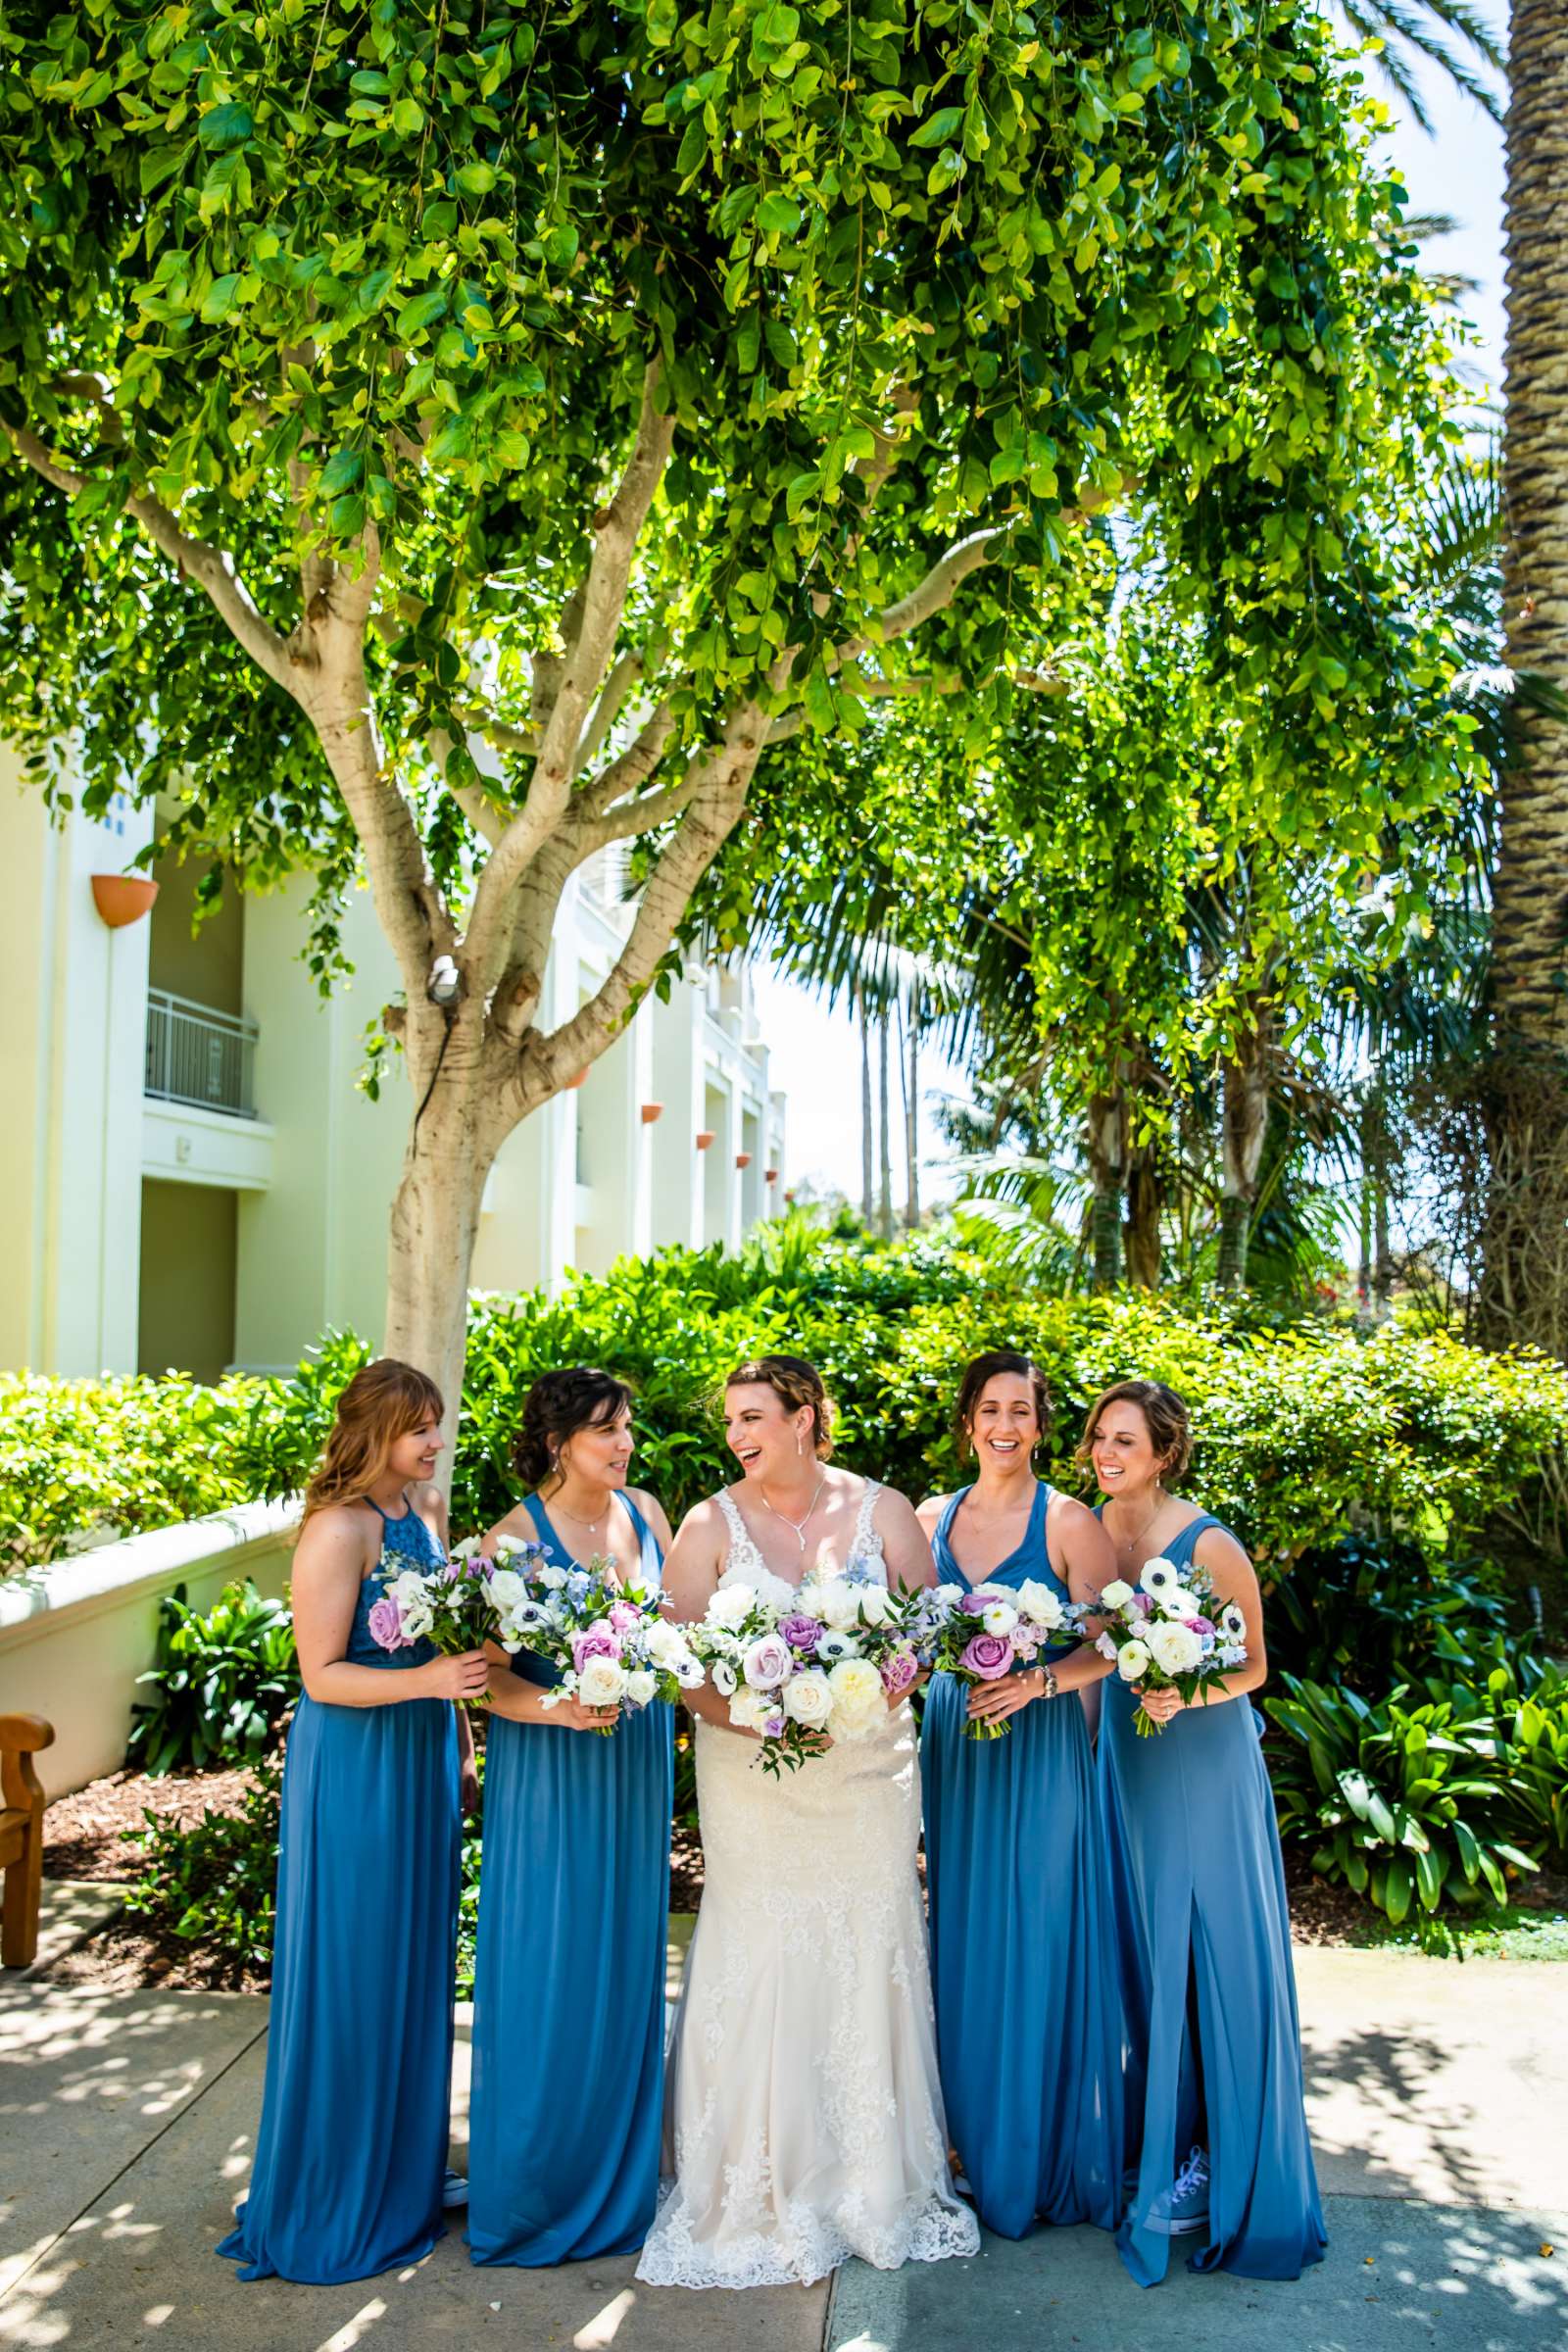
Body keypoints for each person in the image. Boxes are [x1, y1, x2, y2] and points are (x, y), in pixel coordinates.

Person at [637, 1354, 979, 2290]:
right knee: (761, 1937)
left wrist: (868, 1695)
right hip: (754, 1779)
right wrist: (767, 1713)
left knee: (870, 1935)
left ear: (804, 1416)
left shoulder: (885, 1511)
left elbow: (929, 1629)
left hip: (869, 1772)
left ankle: (871, 2180)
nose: (739, 1435)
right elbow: (680, 1664)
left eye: (755, 1415)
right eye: (731, 1421)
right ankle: (756, 2178)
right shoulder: (710, 1523)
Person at [220, 1360, 485, 2284]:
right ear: (374, 1432)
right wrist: (430, 1686)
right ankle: (335, 2186)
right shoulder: (335, 1531)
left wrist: (455, 1733)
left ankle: (400, 2175)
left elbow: (442, 1640)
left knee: (413, 1964)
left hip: (418, 1757)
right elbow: (321, 1674)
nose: (434, 1443)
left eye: (436, 1426)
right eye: (420, 1429)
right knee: (355, 1963)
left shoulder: (424, 1516)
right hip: (357, 1767)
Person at [1087, 1377, 1327, 2286]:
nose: (1109, 1454)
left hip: (1204, 1763)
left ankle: (1231, 2165)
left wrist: (1182, 1686)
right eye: (1101, 1439)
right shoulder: (1091, 1530)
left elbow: (1256, 1666)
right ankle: (1169, 2150)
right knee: (1152, 1957)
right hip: (1130, 1764)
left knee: (1217, 1954)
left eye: (1126, 1442)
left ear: (1165, 1451)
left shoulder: (1209, 1543)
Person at [466, 1367, 675, 2267]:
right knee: (552, 1959)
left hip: (633, 1764)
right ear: (557, 1443)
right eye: (604, 1431)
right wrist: (556, 1707)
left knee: (627, 1955)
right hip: (553, 1772)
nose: (624, 1444)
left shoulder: (650, 1515)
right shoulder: (508, 1543)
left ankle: (624, 2174)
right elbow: (489, 1681)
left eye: (627, 1427)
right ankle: (537, 2186)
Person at [917, 1349, 1123, 2238]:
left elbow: (1116, 1645)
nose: (1006, 1426)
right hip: (951, 1750)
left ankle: (1032, 2156)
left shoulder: (1073, 1523)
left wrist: (1039, 1685)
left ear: (1041, 1426)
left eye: (1023, 1412)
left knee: (1037, 1934)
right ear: (967, 1421)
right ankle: (959, 2147)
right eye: (990, 1409)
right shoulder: (926, 1518)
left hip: (1039, 1752)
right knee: (955, 1933)